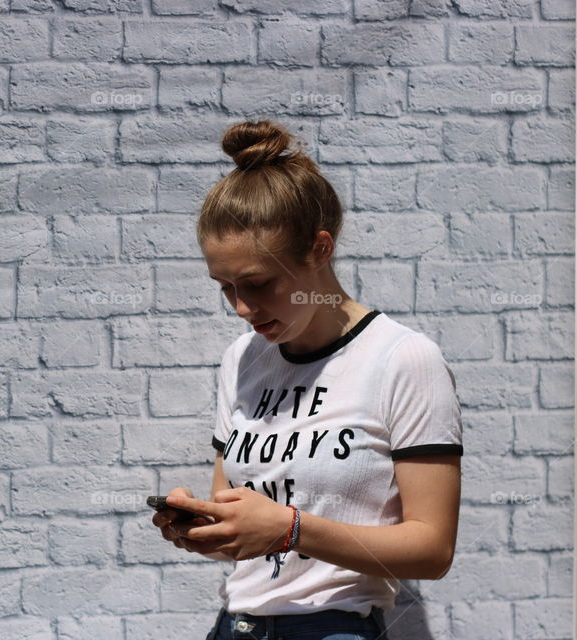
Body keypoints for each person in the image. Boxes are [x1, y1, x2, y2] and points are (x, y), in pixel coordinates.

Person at [151, 119, 463, 640]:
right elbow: (237, 524)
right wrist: (203, 528)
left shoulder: (403, 359)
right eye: (225, 287)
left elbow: (433, 551)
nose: (242, 308)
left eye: (258, 284)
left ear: (320, 249)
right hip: (236, 626)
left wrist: (290, 529)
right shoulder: (242, 358)